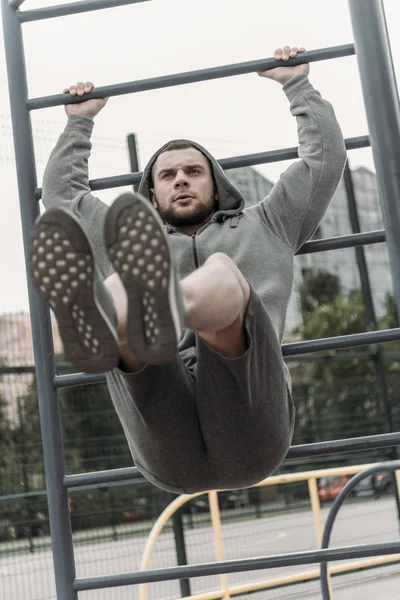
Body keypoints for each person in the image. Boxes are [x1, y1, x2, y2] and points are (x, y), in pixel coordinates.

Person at [30, 46, 347, 494]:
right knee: (123, 284)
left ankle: (151, 313)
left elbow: (323, 161)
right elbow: (62, 194)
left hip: (251, 429)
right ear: (152, 197)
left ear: (216, 186)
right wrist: (80, 120)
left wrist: (297, 84)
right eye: (168, 175)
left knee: (216, 273)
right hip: (165, 444)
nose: (181, 178)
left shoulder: (267, 223)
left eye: (193, 171)